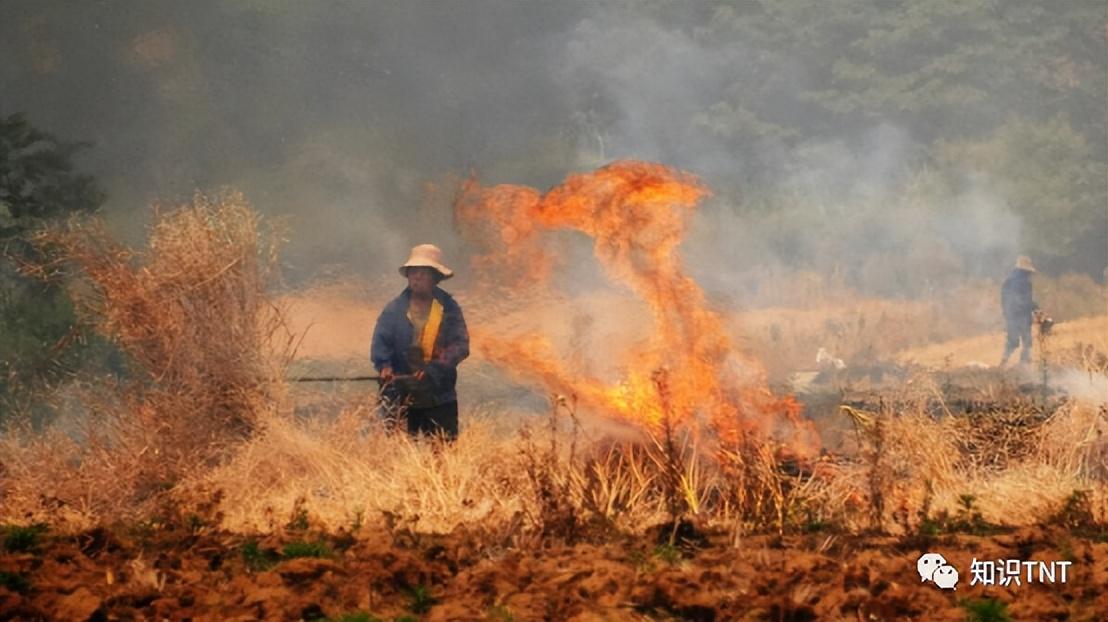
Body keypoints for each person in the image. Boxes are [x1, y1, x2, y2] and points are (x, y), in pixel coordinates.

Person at [371, 244, 469, 439]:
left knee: (442, 450)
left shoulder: (448, 308)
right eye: (414, 272)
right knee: (399, 448)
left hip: (439, 395)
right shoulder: (394, 309)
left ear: (435, 278)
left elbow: (460, 345)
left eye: (424, 273)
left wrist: (433, 370)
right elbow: (381, 342)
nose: (417, 277)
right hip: (399, 395)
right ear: (408, 275)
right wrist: (385, 366)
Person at [1000, 255, 1038, 367]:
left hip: (1011, 315)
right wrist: (1035, 308)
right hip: (1021, 315)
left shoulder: (1007, 281)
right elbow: (1025, 300)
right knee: (1026, 341)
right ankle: (1023, 365)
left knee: (1013, 341)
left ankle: (1004, 362)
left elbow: (1005, 300)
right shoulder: (1024, 282)